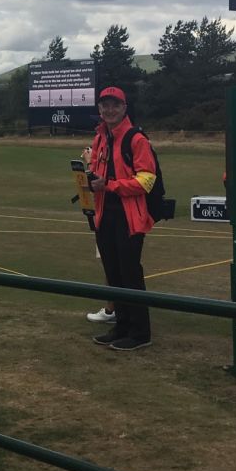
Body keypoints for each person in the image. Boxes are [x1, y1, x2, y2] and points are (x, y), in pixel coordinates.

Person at [87, 86, 156, 351]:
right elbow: (96, 169)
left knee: (130, 274)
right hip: (105, 213)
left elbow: (146, 180)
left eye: (115, 105)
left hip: (129, 216)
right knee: (113, 273)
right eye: (105, 105)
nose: (109, 110)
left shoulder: (136, 139)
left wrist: (111, 186)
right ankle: (122, 326)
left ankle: (140, 332)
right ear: (100, 109)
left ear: (124, 108)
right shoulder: (100, 138)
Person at [81, 145, 115, 325]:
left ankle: (112, 310)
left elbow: (101, 181)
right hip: (103, 211)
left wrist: (89, 164)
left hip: (112, 213)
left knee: (112, 265)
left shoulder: (119, 143)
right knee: (111, 264)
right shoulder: (104, 140)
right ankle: (116, 309)